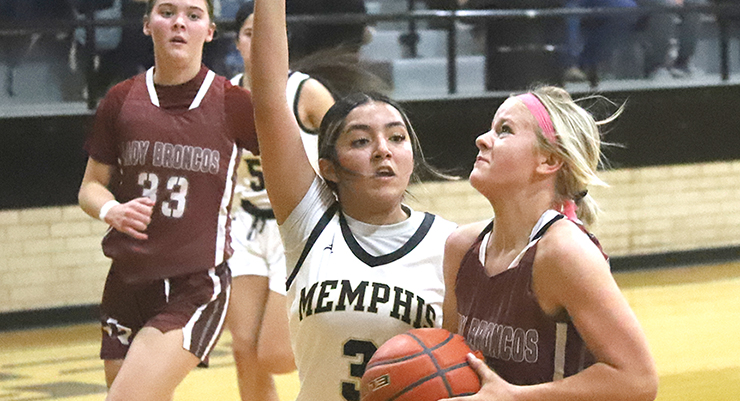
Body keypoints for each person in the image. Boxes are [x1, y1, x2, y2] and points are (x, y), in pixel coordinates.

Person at [250, 0, 458, 400]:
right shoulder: (309, 223)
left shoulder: (452, 245)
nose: (383, 150)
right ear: (329, 167)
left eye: (396, 137)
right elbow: (269, 102)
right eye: (361, 141)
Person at [77, 0, 258, 399]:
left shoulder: (232, 102)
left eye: (193, 15)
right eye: (167, 12)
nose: (179, 23)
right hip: (126, 281)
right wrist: (112, 209)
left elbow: (286, 158)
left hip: (193, 285)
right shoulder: (121, 99)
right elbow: (90, 186)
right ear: (147, 25)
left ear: (209, 31)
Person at [440, 87, 658, 400]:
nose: (482, 139)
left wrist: (514, 397)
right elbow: (448, 363)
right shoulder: (461, 247)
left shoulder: (564, 253)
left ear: (549, 159)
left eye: (504, 130)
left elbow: (638, 381)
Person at [225, 2, 335, 401]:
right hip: (245, 225)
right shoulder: (226, 94)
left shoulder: (307, 92)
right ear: (237, 42)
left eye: (266, 32)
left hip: (297, 227)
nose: (258, 41)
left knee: (275, 355)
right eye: (249, 33)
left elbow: (346, 147)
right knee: (243, 349)